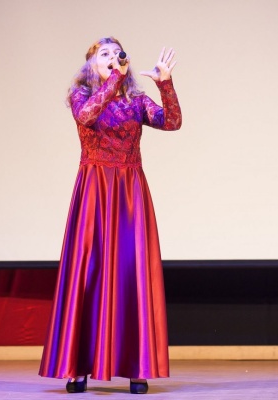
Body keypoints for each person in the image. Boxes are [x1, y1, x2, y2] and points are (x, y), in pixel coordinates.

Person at [39, 37, 182, 394]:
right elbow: (87, 116)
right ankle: (78, 368)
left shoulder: (136, 102)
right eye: (103, 54)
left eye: (115, 53)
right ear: (90, 64)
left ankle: (137, 366)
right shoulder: (80, 95)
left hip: (130, 193)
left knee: (131, 272)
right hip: (94, 191)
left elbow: (172, 122)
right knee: (89, 270)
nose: (111, 58)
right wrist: (114, 79)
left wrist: (165, 84)